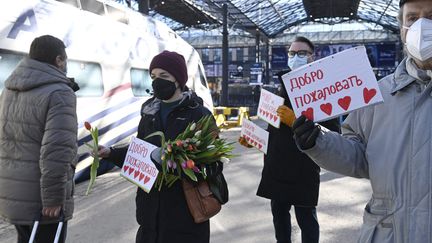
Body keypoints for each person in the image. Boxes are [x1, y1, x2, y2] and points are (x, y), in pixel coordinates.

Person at [292, 0, 432, 242]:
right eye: (412, 18)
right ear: (402, 29)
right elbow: (359, 156)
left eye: (431, 16)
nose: (421, 26)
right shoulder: (379, 94)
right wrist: (318, 141)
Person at [97, 50, 222, 243]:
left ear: (179, 80)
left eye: (164, 76)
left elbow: (214, 164)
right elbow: (140, 151)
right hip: (149, 216)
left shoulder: (199, 114)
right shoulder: (149, 113)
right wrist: (111, 153)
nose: (157, 82)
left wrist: (175, 163)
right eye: (153, 76)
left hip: (185, 216)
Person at [240, 36, 339, 243]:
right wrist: (255, 139)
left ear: (312, 58)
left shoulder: (324, 91)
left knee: (306, 218)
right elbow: (273, 129)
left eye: (301, 53)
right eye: (292, 54)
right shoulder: (280, 87)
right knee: (279, 215)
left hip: (305, 165)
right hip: (277, 164)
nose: (296, 57)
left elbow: (333, 133)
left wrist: (296, 121)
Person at [0, 35, 79, 243]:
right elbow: (56, 151)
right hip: (43, 202)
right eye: (65, 60)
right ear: (59, 60)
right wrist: (53, 199)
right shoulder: (60, 92)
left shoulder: (8, 89)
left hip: (15, 195)